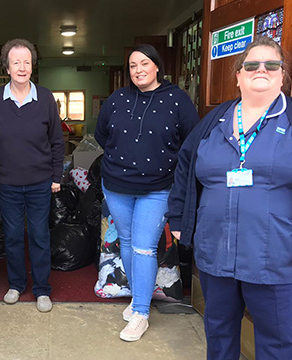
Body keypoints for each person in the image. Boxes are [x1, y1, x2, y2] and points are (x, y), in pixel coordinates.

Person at [167, 36, 292, 359]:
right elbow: (185, 167)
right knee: (219, 334)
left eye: (271, 64)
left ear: (282, 75)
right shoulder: (215, 120)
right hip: (217, 252)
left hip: (278, 256)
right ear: (238, 75)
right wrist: (178, 218)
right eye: (251, 64)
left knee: (280, 343)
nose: (261, 70)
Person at [94, 44, 199, 342]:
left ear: (156, 67)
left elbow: (191, 140)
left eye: (144, 63)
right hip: (116, 185)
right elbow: (102, 133)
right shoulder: (118, 99)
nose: (138, 70)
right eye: (132, 65)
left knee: (143, 247)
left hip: (158, 187)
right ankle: (138, 298)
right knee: (126, 242)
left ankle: (141, 312)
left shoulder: (177, 99)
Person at [0, 39, 65, 312]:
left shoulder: (45, 98)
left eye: (27, 62)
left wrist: (57, 176)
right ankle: (16, 284)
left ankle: (42, 289)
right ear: (6, 66)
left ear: (33, 66)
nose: (22, 67)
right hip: (6, 182)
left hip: (40, 182)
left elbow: (57, 141)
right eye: (16, 62)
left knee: (41, 236)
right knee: (13, 235)